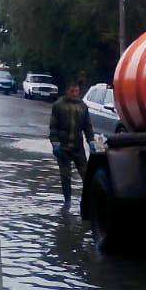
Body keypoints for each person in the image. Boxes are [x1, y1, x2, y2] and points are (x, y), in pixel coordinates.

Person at [48, 81, 93, 210]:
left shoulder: (82, 106)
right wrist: (55, 143)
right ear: (67, 91)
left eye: (76, 91)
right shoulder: (59, 105)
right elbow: (53, 126)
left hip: (78, 147)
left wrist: (91, 141)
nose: (74, 94)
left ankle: (88, 201)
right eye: (72, 91)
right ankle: (67, 201)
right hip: (63, 147)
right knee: (65, 175)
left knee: (86, 174)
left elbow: (87, 126)